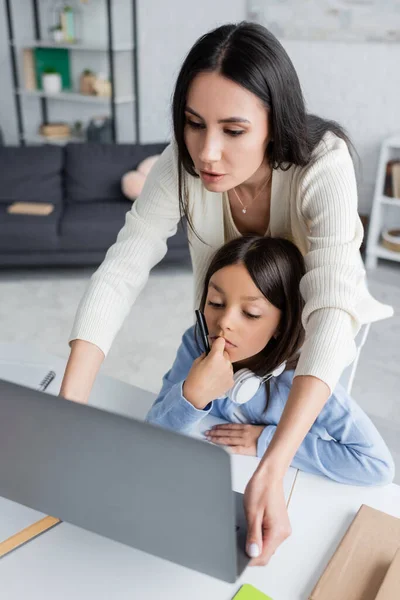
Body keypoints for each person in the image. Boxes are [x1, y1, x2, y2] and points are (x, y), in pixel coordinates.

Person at [60, 22, 385, 565]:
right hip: (220, 335)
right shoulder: (182, 166)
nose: (206, 153)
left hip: (304, 346)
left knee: (304, 467)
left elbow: (331, 313)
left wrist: (273, 456)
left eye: (233, 130)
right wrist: (68, 411)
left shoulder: (323, 166)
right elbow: (123, 266)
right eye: (193, 124)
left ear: (274, 124)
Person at [146, 236, 394, 494]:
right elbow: (153, 436)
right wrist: (192, 396)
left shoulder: (305, 377)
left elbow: (377, 466)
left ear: (281, 324)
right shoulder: (197, 343)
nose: (224, 322)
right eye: (216, 303)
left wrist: (265, 440)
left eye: (251, 313)